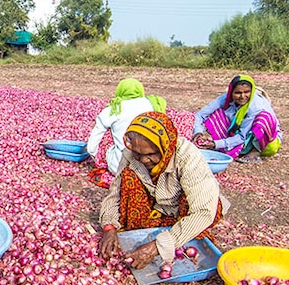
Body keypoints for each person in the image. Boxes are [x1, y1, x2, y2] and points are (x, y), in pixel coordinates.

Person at [98, 112, 230, 269]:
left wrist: (157, 246)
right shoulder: (130, 153)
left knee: (200, 207)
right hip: (157, 206)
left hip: (183, 210)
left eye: (150, 154)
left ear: (165, 147)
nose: (144, 160)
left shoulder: (187, 156)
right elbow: (115, 194)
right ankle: (155, 228)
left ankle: (179, 234)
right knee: (129, 176)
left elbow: (203, 211)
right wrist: (109, 227)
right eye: (138, 154)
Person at [192, 74, 282, 164]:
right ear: (231, 92)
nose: (242, 96)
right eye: (238, 93)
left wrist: (216, 144)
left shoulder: (255, 106)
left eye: (247, 92)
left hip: (266, 143)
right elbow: (200, 115)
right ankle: (228, 147)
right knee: (216, 113)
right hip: (239, 138)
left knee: (263, 118)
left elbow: (242, 136)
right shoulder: (225, 98)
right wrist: (198, 132)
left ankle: (254, 153)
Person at [86, 78, 167, 176]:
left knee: (107, 141)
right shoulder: (152, 104)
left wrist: (96, 158)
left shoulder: (113, 109)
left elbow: (91, 147)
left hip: (119, 167)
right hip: (151, 165)